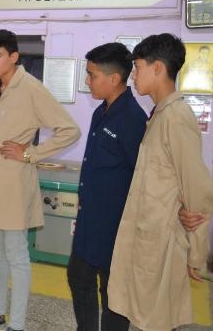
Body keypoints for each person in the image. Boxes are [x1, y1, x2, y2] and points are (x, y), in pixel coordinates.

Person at [0, 29, 81, 331]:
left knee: (16, 256)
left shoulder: (32, 88)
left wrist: (31, 153)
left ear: (14, 56)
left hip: (15, 181)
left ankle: (17, 325)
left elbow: (70, 130)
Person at [108, 33, 213, 331]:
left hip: (162, 243)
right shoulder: (159, 115)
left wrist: (196, 252)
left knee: (154, 321)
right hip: (147, 236)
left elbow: (196, 187)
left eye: (138, 67)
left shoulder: (176, 116)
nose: (134, 76)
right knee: (143, 317)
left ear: (157, 68)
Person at [67, 43, 147, 331]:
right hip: (90, 219)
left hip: (115, 225)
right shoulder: (100, 112)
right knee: (78, 276)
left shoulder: (133, 119)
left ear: (114, 78)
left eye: (92, 75)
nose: (87, 81)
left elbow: (141, 176)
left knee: (113, 293)